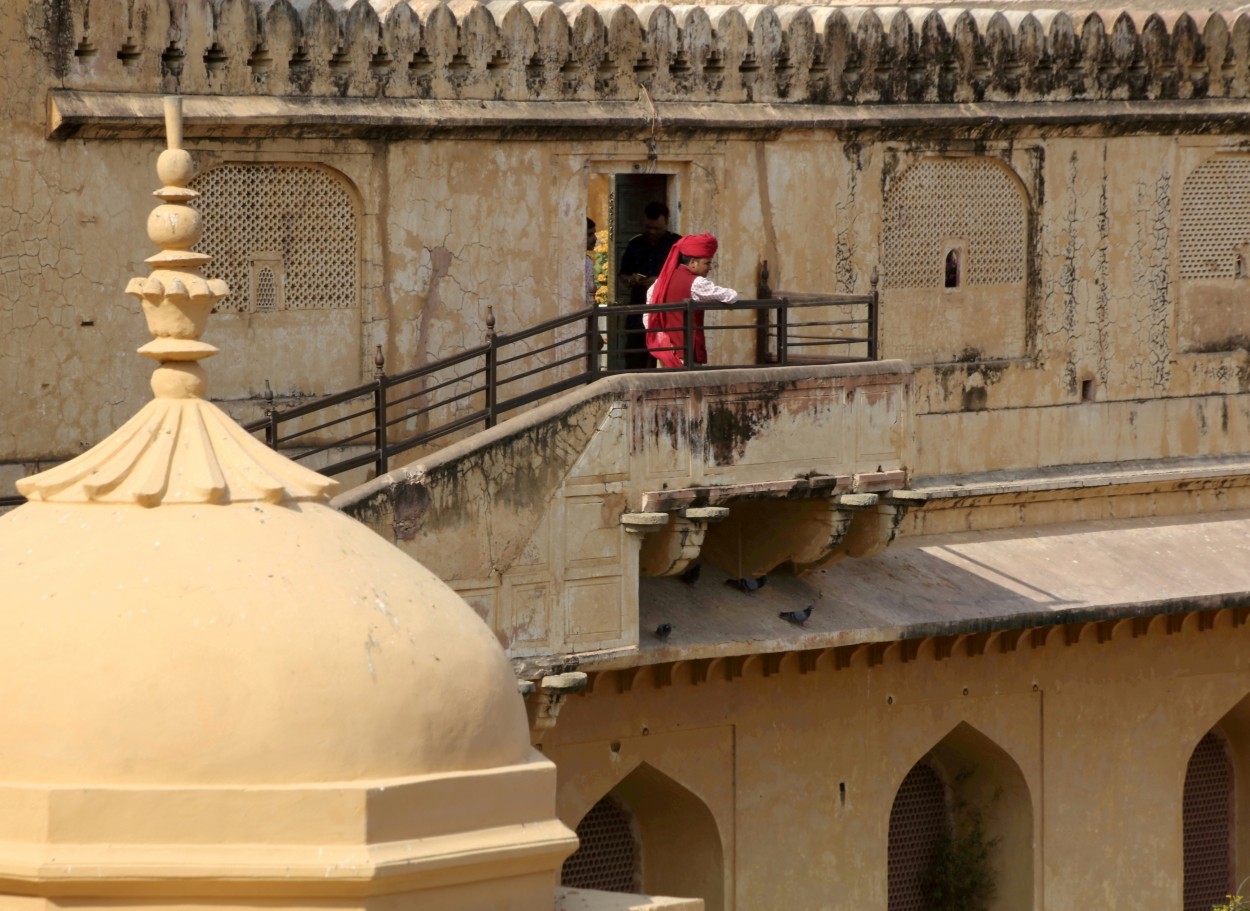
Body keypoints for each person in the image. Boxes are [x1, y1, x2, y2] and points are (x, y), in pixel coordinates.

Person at [645, 233, 738, 368]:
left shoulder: (660, 282)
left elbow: (648, 315)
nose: (709, 267)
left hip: (665, 351)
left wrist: (662, 341)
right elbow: (730, 296)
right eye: (707, 263)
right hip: (686, 354)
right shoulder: (696, 283)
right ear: (693, 262)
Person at [617, 201, 681, 368]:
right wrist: (630, 280)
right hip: (638, 311)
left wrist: (659, 282)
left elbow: (686, 277)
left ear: (666, 223)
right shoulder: (635, 244)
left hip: (667, 313)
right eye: (648, 227)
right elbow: (621, 275)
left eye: (657, 229)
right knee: (634, 357)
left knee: (666, 358)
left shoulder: (677, 245)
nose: (651, 232)